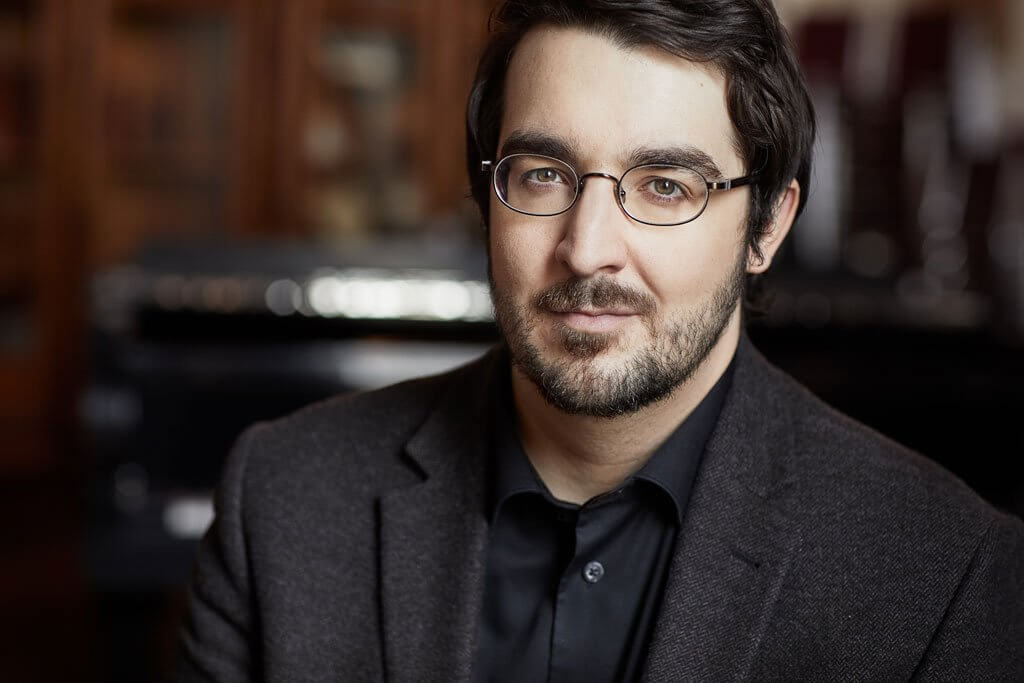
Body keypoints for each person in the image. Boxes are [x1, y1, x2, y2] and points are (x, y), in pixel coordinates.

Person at [174, 1, 1024, 680]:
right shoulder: (280, 500)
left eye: (664, 185)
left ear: (767, 224)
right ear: (486, 193)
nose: (586, 248)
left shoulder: (946, 576)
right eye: (543, 174)